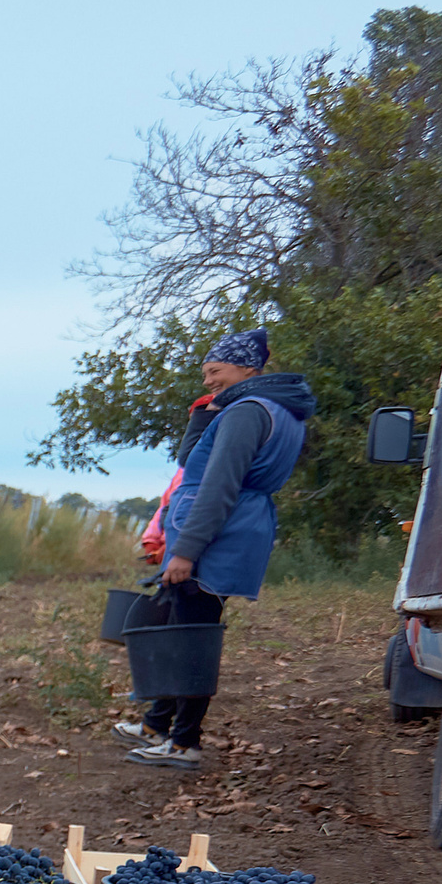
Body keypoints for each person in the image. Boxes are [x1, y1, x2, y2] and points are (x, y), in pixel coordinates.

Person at [115, 328, 313, 771]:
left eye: (215, 371)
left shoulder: (248, 412)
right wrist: (207, 412)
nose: (207, 381)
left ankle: (184, 743)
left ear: (247, 369)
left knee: (192, 639)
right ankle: (156, 726)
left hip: (216, 537)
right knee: (181, 626)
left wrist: (185, 551)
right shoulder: (277, 410)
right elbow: (196, 463)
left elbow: (217, 486)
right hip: (237, 529)